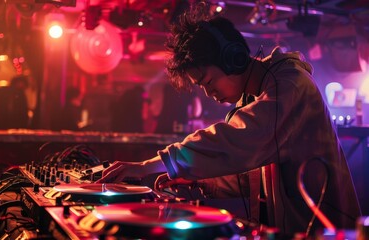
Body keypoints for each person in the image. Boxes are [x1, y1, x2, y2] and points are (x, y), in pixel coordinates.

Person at [97, 3, 361, 237]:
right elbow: (252, 178)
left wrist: (151, 164)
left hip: (327, 230)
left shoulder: (290, 85)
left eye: (208, 82)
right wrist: (200, 182)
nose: (209, 94)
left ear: (232, 59)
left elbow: (236, 138)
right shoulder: (258, 98)